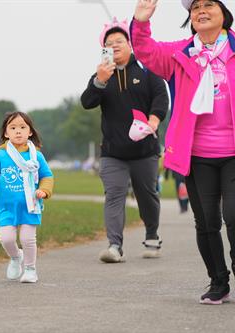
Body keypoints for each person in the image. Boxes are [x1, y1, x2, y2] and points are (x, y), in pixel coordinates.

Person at [132, 0, 235, 304]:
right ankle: (218, 281)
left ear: (223, 13)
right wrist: (141, 21)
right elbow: (146, 52)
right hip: (196, 154)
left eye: (208, 4)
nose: (200, 10)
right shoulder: (179, 54)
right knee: (207, 222)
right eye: (194, 6)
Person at [80, 17, 169, 263]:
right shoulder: (101, 75)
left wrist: (154, 119)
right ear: (104, 49)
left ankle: (152, 233)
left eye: (120, 41)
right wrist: (100, 81)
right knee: (114, 195)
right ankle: (114, 246)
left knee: (147, 195)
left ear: (130, 44)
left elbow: (161, 97)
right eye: (110, 43)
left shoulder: (147, 71)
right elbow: (87, 102)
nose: (115, 45)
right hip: (112, 153)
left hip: (144, 150)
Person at [0, 111, 54, 283]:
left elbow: (47, 176)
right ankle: (15, 257)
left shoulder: (36, 155)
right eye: (13, 128)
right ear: (6, 133)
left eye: (22, 127)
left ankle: (30, 269)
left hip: (30, 204)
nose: (18, 131)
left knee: (27, 239)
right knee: (6, 239)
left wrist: (44, 190)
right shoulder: (0, 154)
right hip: (6, 206)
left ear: (30, 132)